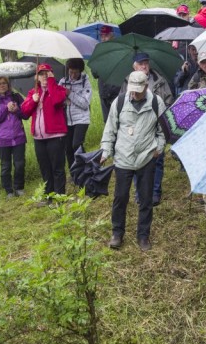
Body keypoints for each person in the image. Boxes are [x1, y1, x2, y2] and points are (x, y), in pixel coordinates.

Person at [101, 71, 166, 252]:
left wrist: (157, 149)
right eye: (133, 90)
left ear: (146, 87)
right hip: (123, 158)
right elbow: (110, 130)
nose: (135, 94)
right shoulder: (120, 102)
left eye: (139, 91)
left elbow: (163, 132)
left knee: (145, 200)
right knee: (120, 198)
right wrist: (106, 151)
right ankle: (117, 233)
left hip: (146, 158)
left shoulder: (156, 103)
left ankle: (143, 236)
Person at [124, 52, 174, 206]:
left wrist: (161, 112)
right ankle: (140, 193)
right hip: (137, 130)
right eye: (140, 63)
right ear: (134, 67)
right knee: (137, 162)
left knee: (157, 160)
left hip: (157, 127)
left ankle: (155, 192)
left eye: (146, 62)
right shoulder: (127, 82)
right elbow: (123, 105)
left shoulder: (159, 80)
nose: (144, 66)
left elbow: (169, 100)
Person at [21, 63, 68, 202]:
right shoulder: (33, 92)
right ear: (37, 77)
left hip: (56, 135)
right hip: (39, 138)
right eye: (41, 74)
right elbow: (24, 112)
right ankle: (49, 196)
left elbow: (56, 101)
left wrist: (52, 83)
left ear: (52, 75)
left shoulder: (59, 89)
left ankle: (60, 198)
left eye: (48, 73)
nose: (45, 76)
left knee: (57, 168)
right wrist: (33, 101)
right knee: (45, 169)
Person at [0, 75, 27, 198]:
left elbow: (26, 115)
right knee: (6, 166)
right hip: (2, 139)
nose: (2, 85)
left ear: (8, 84)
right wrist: (5, 108)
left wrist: (16, 110)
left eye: (4, 83)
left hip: (18, 136)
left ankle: (19, 187)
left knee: (20, 164)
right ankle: (9, 190)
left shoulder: (16, 97)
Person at [59, 58, 92, 172]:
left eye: (75, 72)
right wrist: (63, 100)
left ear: (80, 71)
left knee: (76, 144)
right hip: (67, 120)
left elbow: (84, 104)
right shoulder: (63, 81)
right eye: (70, 72)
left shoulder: (85, 82)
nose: (72, 75)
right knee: (68, 148)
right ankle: (73, 172)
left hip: (82, 119)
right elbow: (57, 100)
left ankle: (84, 169)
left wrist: (69, 94)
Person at [98, 25, 121, 123]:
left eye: (106, 36)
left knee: (118, 120)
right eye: (102, 36)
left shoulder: (119, 50)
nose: (103, 38)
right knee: (107, 121)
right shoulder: (99, 51)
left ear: (112, 35)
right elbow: (94, 73)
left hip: (116, 91)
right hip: (103, 91)